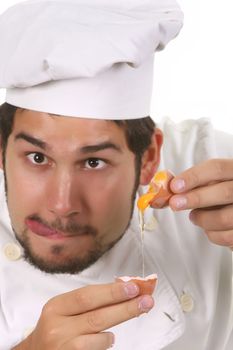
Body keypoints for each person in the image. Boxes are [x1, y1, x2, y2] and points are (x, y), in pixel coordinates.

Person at [0, 1, 232, 349]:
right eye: (37, 157)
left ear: (149, 157)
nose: (62, 205)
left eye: (94, 162)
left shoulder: (206, 161)